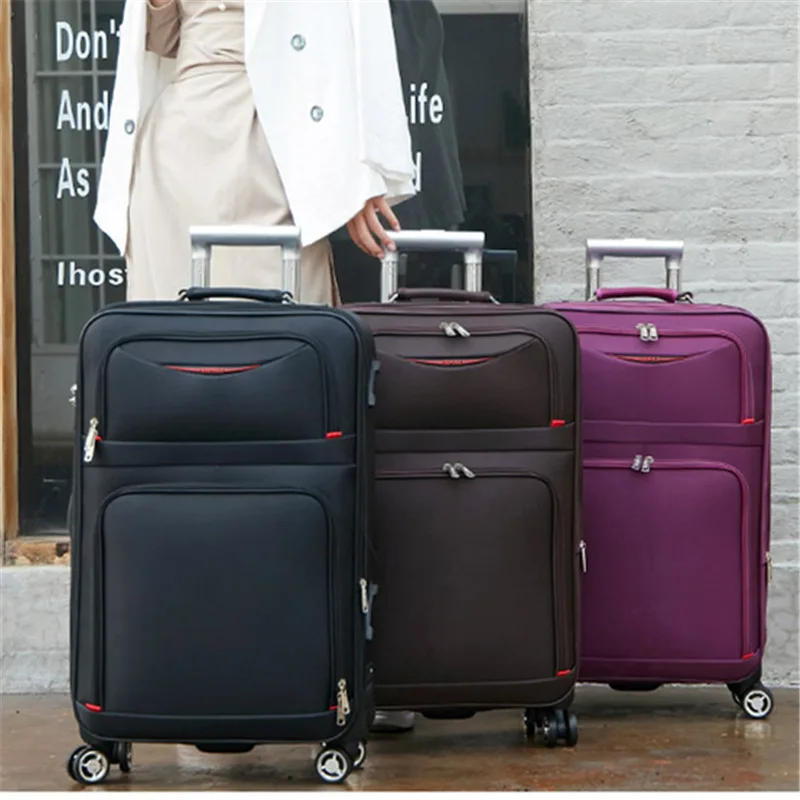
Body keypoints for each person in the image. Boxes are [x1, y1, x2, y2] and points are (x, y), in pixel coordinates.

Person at [94, 0, 417, 303]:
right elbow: (163, 39)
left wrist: (363, 167)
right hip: (177, 151)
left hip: (279, 144)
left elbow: (363, 34)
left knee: (285, 318)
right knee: (175, 326)